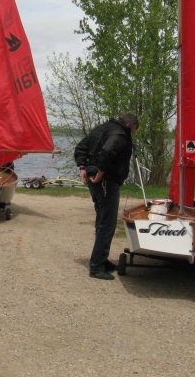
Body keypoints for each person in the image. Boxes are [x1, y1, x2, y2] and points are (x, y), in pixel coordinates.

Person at [74, 113, 139, 280]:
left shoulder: (102, 128)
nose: (132, 134)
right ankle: (96, 267)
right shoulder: (119, 134)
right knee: (107, 223)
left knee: (102, 220)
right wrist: (100, 173)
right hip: (106, 181)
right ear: (128, 126)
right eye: (133, 131)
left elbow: (81, 146)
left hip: (96, 180)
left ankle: (101, 260)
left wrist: (83, 167)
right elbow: (108, 152)